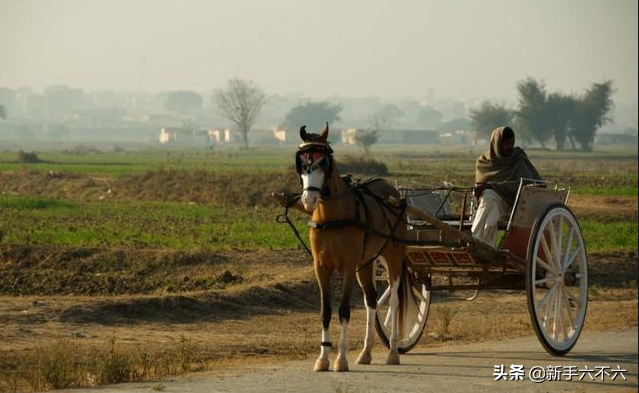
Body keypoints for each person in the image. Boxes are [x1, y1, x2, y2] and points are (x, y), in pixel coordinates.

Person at [471, 126, 542, 246]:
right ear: (497, 143)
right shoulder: (484, 162)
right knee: (490, 200)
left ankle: (475, 240)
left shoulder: (517, 158)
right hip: (491, 203)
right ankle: (485, 245)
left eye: (511, 143)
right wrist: (493, 188)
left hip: (513, 205)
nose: (509, 147)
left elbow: (527, 184)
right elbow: (481, 185)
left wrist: (495, 187)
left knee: (489, 196)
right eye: (506, 143)